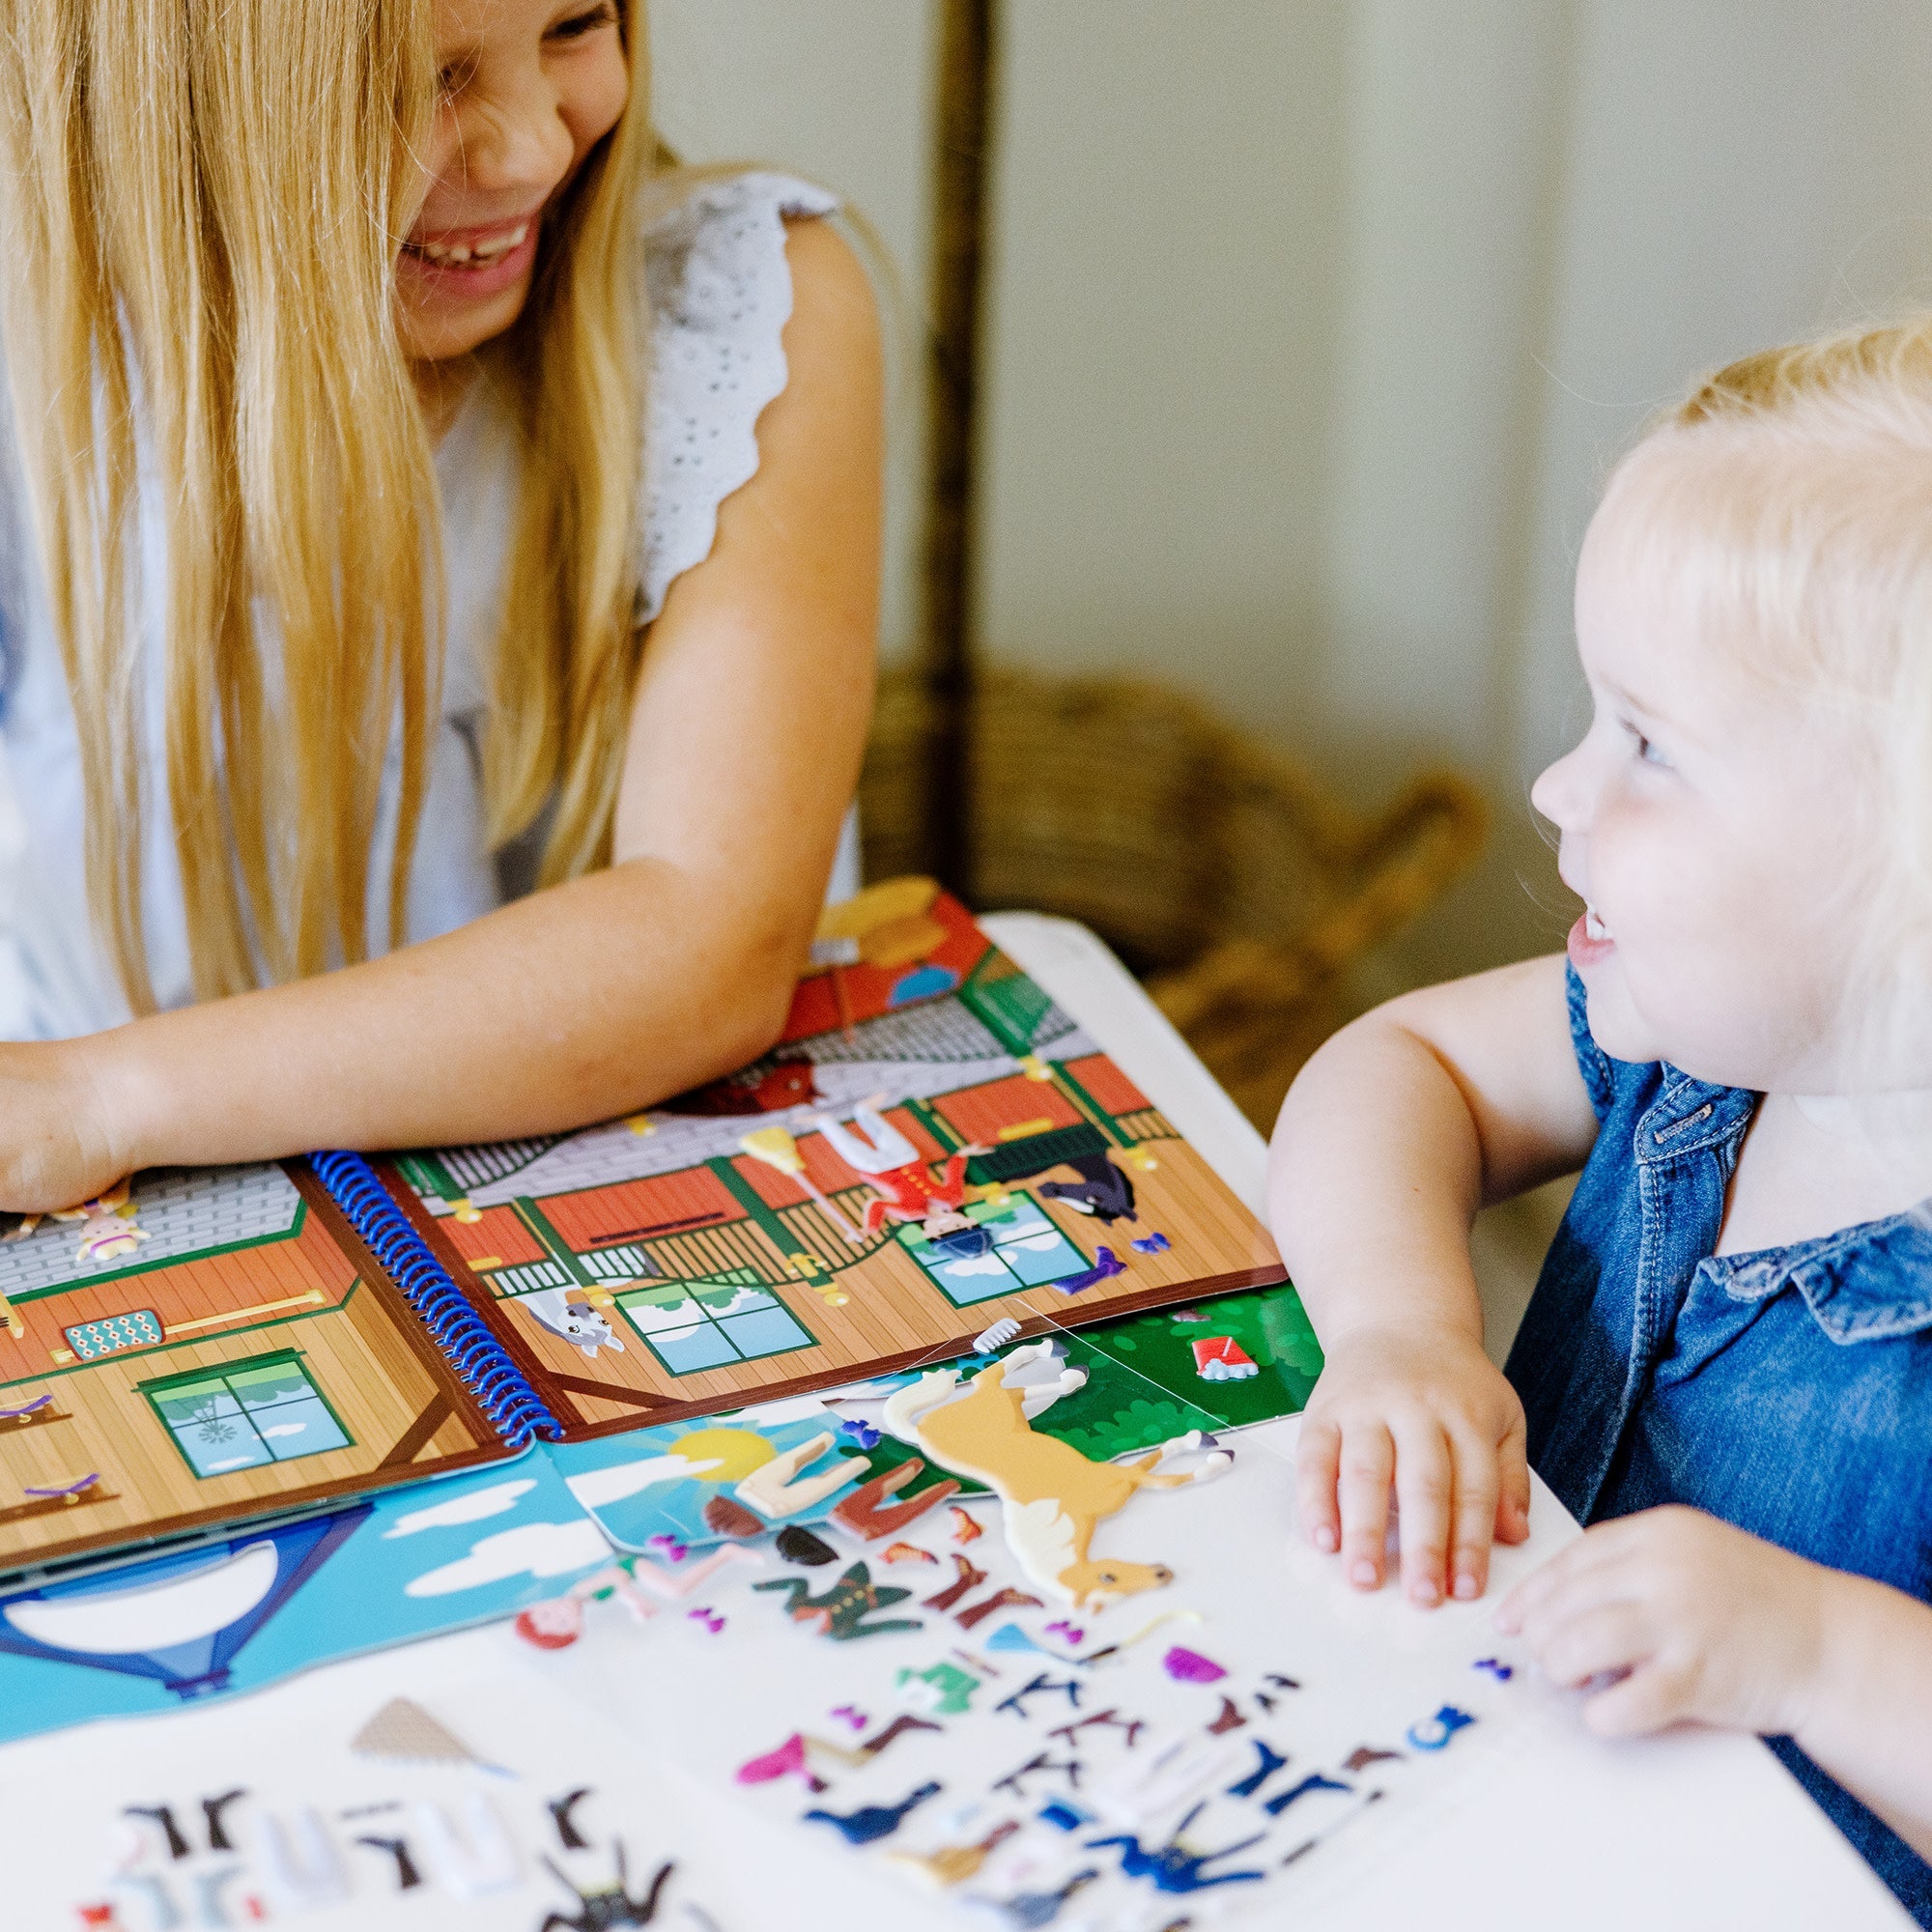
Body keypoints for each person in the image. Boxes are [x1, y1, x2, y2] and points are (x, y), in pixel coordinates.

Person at [0, 0, 881, 1211]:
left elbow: (709, 940)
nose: (530, 148)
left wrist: (98, 1099)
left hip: (600, 1181)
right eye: (425, 81)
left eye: (575, 23)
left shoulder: (743, 310)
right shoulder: (38, 334)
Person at [1269, 321, 1932, 1920]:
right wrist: (1405, 1331)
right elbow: (1393, 1069)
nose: (1562, 790)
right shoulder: (1709, 1036)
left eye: (1650, 746)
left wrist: (1823, 1654)